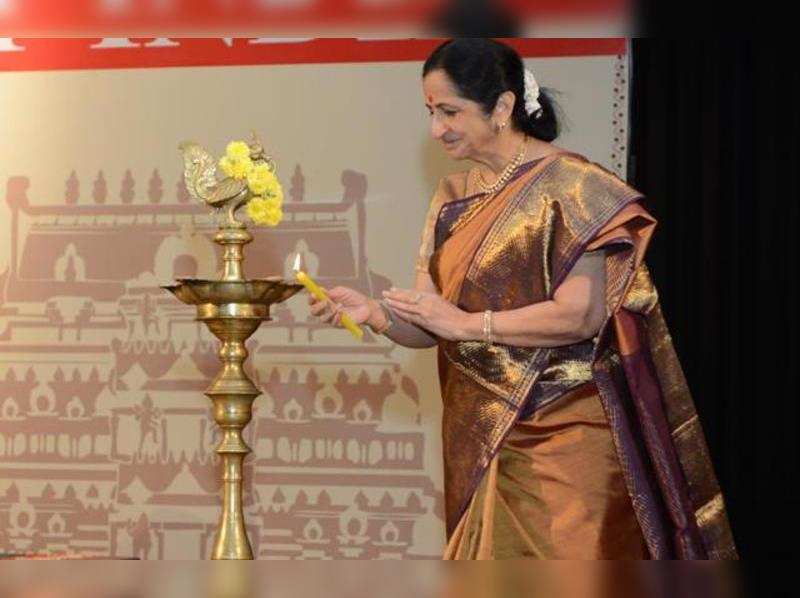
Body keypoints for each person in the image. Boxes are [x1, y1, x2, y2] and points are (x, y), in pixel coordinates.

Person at [309, 38, 737, 559]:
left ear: (504, 107)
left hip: (569, 436)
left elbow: (581, 315)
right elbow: (432, 324)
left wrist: (470, 326)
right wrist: (376, 314)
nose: (436, 129)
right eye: (430, 112)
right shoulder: (452, 197)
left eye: (450, 112)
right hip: (485, 437)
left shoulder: (576, 187)